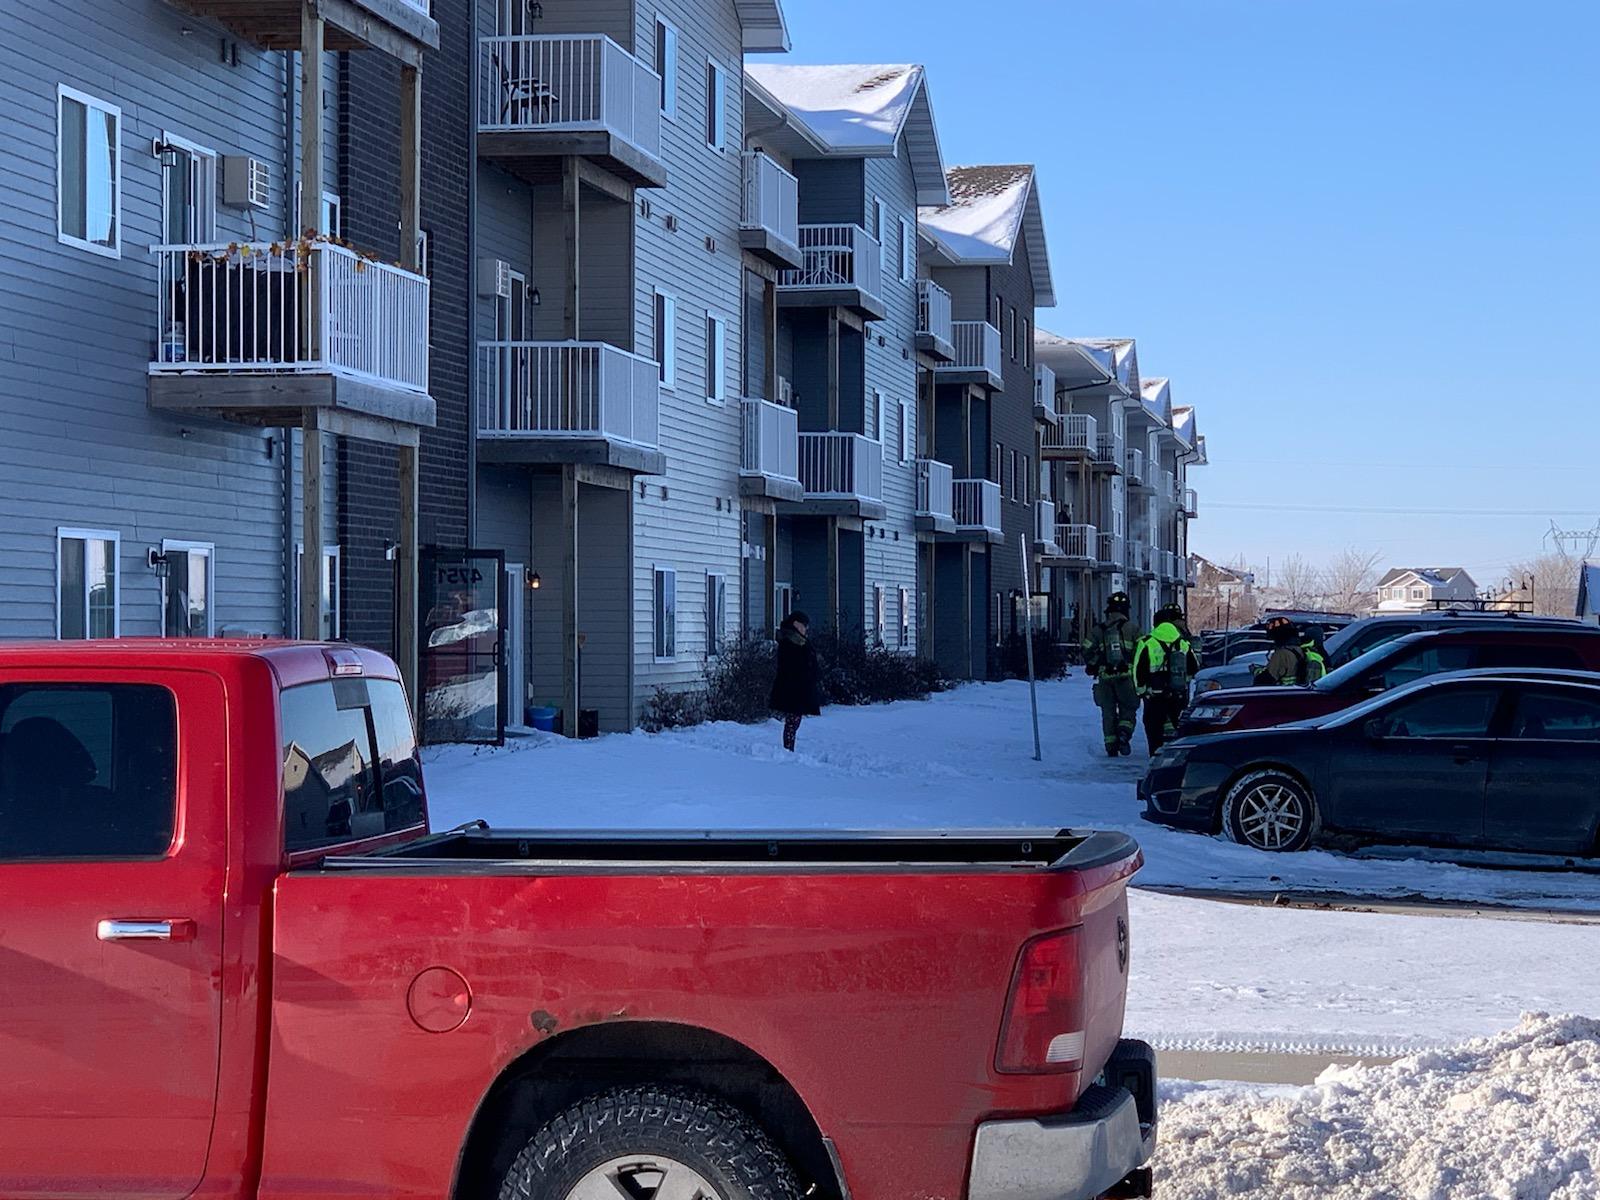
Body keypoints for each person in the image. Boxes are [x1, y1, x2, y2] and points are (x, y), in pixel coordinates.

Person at [1134, 602, 1201, 753]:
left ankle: (1155, 757)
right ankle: (1177, 757)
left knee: (1153, 727)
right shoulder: (1183, 642)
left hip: (1154, 695)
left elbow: (1139, 670)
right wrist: (1183, 682)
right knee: (1179, 727)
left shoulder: (1146, 642)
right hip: (1178, 694)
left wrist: (1141, 691)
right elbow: (1194, 667)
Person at [1083, 591, 1141, 757]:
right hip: (1127, 677)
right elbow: (1141, 653)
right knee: (1128, 708)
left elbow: (1086, 649)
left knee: (1107, 712)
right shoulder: (1134, 629)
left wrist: (1094, 664)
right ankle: (1124, 732)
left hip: (1105, 677)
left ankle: (1111, 746)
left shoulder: (1098, 630)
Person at [769, 611, 821, 752]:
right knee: (792, 720)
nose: (806, 628)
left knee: (795, 720)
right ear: (796, 624)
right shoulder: (790, 641)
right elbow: (791, 665)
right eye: (804, 625)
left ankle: (789, 748)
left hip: (800, 686)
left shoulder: (800, 640)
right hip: (793, 687)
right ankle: (788, 749)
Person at [1255, 615, 1310, 686]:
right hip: (1297, 692)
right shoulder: (1300, 649)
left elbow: (1267, 679)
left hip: (1282, 693)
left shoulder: (1281, 654)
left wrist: (1257, 672)